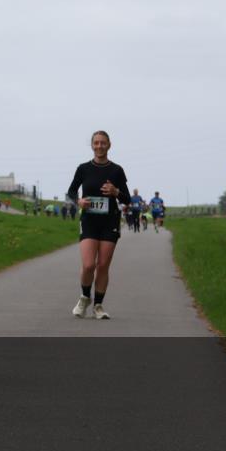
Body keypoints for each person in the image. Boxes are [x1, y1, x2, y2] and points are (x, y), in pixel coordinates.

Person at [65, 130, 131, 320]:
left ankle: (98, 306)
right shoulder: (83, 168)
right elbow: (70, 191)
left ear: (109, 145)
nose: (99, 146)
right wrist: (78, 202)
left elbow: (127, 199)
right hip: (89, 221)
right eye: (96, 143)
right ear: (92, 145)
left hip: (110, 221)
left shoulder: (117, 170)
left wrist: (115, 191)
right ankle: (85, 297)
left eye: (103, 143)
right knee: (88, 265)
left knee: (102, 266)